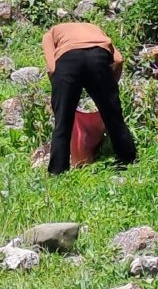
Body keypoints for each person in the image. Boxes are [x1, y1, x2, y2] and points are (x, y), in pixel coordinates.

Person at [42, 22, 137, 175]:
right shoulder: (97, 29)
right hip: (98, 59)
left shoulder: (50, 34)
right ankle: (129, 161)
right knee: (114, 119)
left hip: (68, 61)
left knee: (63, 123)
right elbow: (119, 60)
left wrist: (61, 92)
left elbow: (52, 68)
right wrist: (109, 86)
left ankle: (57, 173)